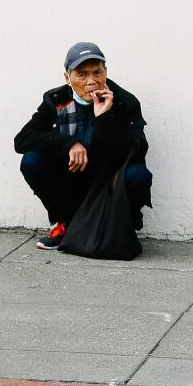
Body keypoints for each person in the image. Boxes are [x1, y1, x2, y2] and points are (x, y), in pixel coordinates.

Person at [13, 43, 152, 250]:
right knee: (32, 161)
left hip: (108, 182)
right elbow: (22, 140)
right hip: (71, 178)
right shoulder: (55, 100)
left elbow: (136, 151)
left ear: (106, 72)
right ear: (67, 78)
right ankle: (63, 224)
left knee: (138, 175)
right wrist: (68, 144)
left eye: (97, 72)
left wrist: (105, 117)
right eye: (81, 75)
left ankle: (120, 226)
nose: (91, 82)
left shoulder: (124, 102)